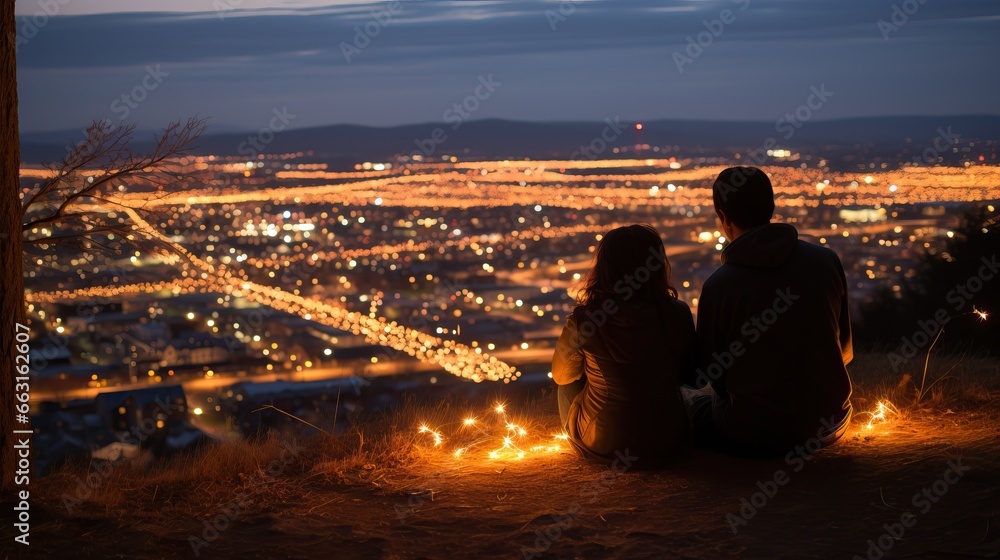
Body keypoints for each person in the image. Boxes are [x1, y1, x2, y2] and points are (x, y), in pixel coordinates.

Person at [687, 166, 853, 454]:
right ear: (771, 207)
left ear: (724, 218)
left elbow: (710, 374)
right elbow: (845, 350)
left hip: (754, 433)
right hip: (831, 423)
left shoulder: (720, 285)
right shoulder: (826, 261)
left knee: (688, 404)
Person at [552, 224, 695, 468]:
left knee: (568, 381)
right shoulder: (678, 313)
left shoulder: (585, 320)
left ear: (604, 267)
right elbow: (692, 377)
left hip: (605, 445)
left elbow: (561, 376)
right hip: (667, 441)